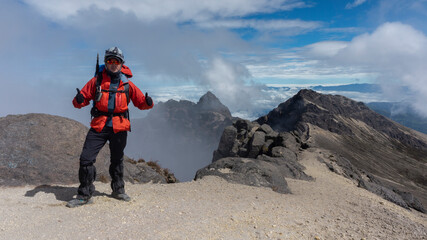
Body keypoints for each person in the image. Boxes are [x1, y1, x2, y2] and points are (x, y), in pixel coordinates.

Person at [67, 47, 153, 208]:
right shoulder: (96, 81)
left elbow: (141, 103)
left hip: (119, 127)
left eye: (116, 61)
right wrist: (78, 100)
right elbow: (80, 101)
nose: (113, 64)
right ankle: (84, 195)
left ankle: (118, 190)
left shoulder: (127, 84)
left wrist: (148, 103)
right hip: (99, 125)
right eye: (110, 61)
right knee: (86, 159)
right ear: (106, 63)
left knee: (117, 160)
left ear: (122, 64)